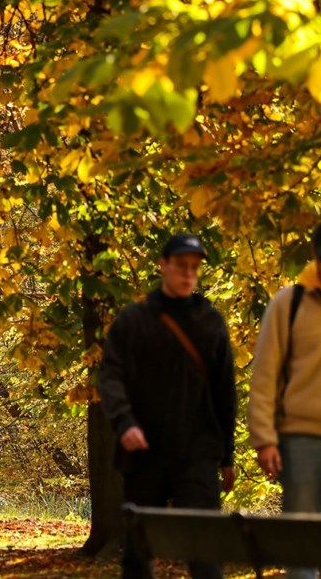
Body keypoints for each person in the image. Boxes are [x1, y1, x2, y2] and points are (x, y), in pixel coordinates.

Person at [99, 233, 236, 579]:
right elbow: (111, 375)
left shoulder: (210, 322)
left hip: (199, 454)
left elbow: (225, 393)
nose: (188, 273)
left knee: (205, 553)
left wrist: (228, 456)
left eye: (194, 267)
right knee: (138, 554)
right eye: (181, 266)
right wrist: (124, 422)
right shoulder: (134, 321)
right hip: (144, 453)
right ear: (163, 265)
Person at [249, 218, 321, 579]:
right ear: (314, 257)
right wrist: (264, 439)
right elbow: (265, 376)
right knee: (301, 543)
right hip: (300, 438)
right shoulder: (287, 304)